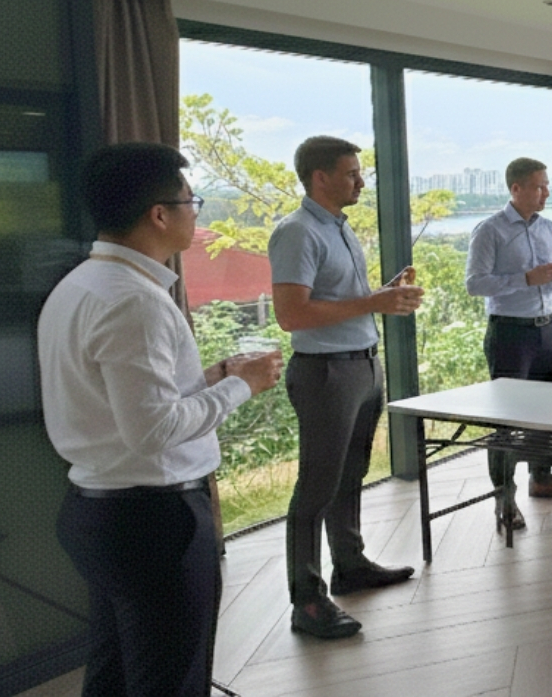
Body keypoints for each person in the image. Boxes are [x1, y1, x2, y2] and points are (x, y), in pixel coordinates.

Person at [39, 142, 284, 697]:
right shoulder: (135, 300)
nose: (197, 214)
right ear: (159, 214)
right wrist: (239, 387)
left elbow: (118, 397)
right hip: (152, 522)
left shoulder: (78, 286)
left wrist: (217, 373)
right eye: (191, 200)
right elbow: (151, 431)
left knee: (114, 674)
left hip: (98, 512)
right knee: (171, 681)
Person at [269, 136, 422, 639]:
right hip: (326, 373)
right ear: (320, 178)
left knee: (349, 476)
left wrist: (381, 293)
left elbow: (342, 300)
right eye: (353, 173)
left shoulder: (338, 229)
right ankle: (307, 600)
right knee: (315, 486)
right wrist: (373, 303)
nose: (361, 181)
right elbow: (292, 315)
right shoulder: (296, 232)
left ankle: (350, 565)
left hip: (361, 367)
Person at [465, 157, 552, 531]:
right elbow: (475, 284)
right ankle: (504, 499)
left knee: (546, 413)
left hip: (547, 330)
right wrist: (524, 279)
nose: (547, 192)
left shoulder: (548, 227)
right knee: (507, 422)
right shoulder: (490, 231)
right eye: (539, 186)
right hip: (510, 335)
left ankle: (541, 477)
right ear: (516, 189)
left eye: (548, 185)